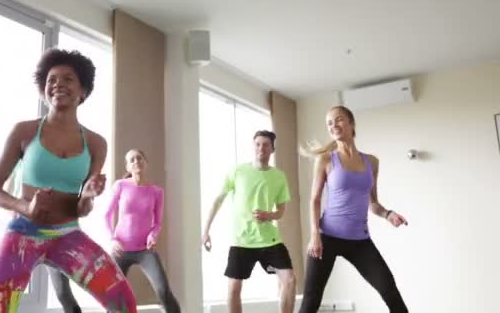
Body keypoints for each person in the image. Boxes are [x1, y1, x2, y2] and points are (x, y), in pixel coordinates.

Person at [0, 48, 137, 313]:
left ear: (83, 91)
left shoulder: (96, 143)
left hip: (67, 235)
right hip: (23, 233)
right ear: (44, 90)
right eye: (51, 79)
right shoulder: (25, 130)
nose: (58, 84)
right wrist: (24, 207)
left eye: (68, 79)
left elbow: (82, 209)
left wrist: (87, 197)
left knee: (123, 303)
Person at [297, 105, 408, 313]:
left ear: (351, 123)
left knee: (389, 289)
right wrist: (314, 235)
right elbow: (314, 199)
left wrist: (388, 214)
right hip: (326, 238)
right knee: (311, 300)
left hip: (359, 241)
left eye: (338, 120)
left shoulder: (371, 162)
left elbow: (373, 203)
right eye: (329, 123)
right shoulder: (326, 159)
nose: (333, 125)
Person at [53, 149, 182, 313]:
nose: (136, 161)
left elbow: (157, 222)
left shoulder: (156, 192)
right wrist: (112, 239)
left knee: (163, 291)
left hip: (145, 251)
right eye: (132, 160)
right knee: (112, 297)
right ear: (128, 167)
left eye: (139, 158)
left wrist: (152, 235)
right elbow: (106, 216)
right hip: (121, 250)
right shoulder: (121, 186)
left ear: (145, 162)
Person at [201, 130, 296, 313]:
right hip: (242, 241)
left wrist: (270, 215)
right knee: (233, 288)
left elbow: (281, 210)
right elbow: (218, 200)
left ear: (272, 149)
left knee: (289, 280)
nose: (261, 148)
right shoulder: (238, 171)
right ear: (253, 147)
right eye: (258, 144)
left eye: (266, 144)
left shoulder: (279, 176)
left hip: (270, 241)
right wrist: (206, 231)